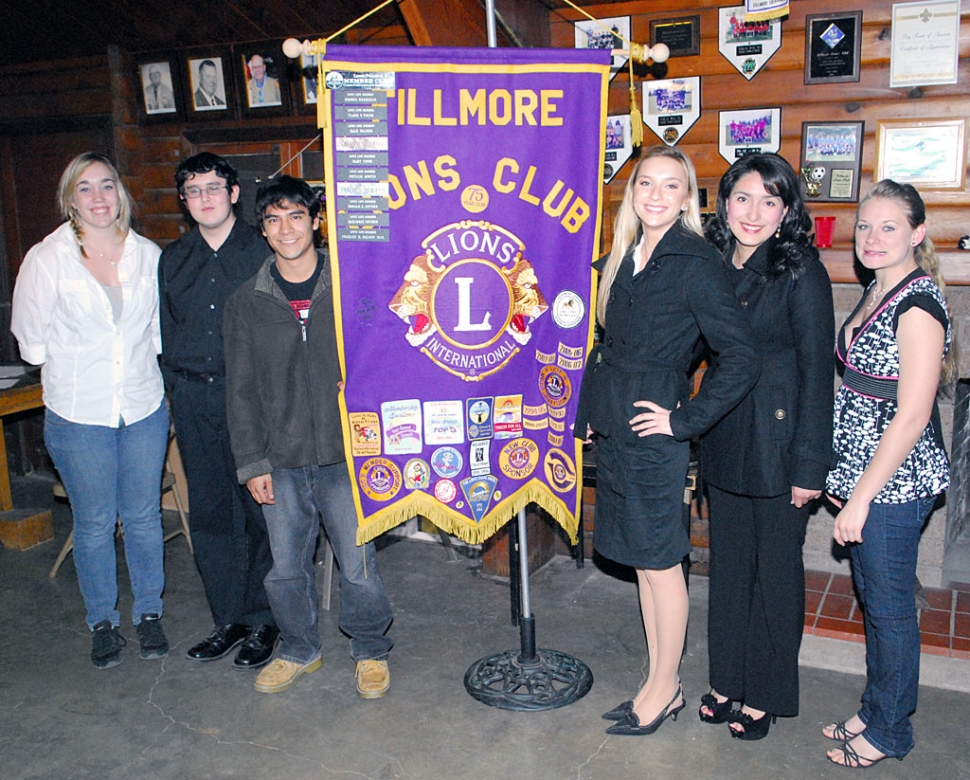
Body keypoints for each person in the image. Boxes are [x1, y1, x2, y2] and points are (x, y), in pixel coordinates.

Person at [574, 147, 759, 736]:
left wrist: (685, 421)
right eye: (645, 183)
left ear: (687, 198)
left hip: (656, 435)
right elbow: (604, 349)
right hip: (618, 428)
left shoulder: (696, 261)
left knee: (661, 565)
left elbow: (742, 356)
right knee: (643, 565)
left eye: (670, 185)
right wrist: (587, 413)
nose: (655, 194)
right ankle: (660, 681)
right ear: (632, 193)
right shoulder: (626, 257)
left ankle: (665, 686)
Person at [223, 175, 394, 697]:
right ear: (264, 232)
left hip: (346, 457)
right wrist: (252, 464)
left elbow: (388, 356)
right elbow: (241, 390)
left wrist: (363, 384)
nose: (286, 229)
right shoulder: (245, 303)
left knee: (358, 566)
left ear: (317, 222)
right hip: (280, 460)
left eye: (296, 216)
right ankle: (300, 648)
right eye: (273, 220)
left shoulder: (352, 288)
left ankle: (369, 649)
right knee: (284, 569)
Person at [11, 152, 170, 669]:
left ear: (120, 193)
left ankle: (150, 613)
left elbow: (156, 335)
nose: (99, 197)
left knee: (144, 518)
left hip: (143, 406)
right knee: (96, 522)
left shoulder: (148, 255)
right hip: (80, 414)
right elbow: (32, 346)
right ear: (69, 199)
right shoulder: (46, 258)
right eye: (85, 188)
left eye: (107, 185)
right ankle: (102, 622)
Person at [698, 153, 835, 739]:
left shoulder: (801, 269)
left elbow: (816, 373)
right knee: (728, 570)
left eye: (770, 201)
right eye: (744, 198)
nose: (754, 213)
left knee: (773, 575)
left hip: (779, 447)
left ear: (786, 211)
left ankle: (767, 691)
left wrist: (810, 464)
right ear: (725, 203)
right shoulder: (711, 264)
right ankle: (726, 679)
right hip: (725, 439)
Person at [823, 180, 953, 768]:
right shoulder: (881, 287)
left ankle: (892, 731)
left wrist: (859, 500)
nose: (872, 239)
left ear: (917, 234)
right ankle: (877, 708)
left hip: (892, 483)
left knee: (891, 606)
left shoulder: (918, 305)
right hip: (868, 474)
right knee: (874, 596)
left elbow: (913, 415)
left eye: (889, 227)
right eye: (866, 226)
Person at [159, 152, 279, 669]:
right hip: (192, 398)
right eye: (193, 191)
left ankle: (264, 621)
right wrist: (173, 397)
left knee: (260, 512)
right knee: (211, 513)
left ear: (234, 194)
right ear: (184, 201)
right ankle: (227, 618)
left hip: (249, 398)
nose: (204, 198)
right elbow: (166, 331)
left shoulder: (263, 251)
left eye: (213, 188)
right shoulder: (173, 258)